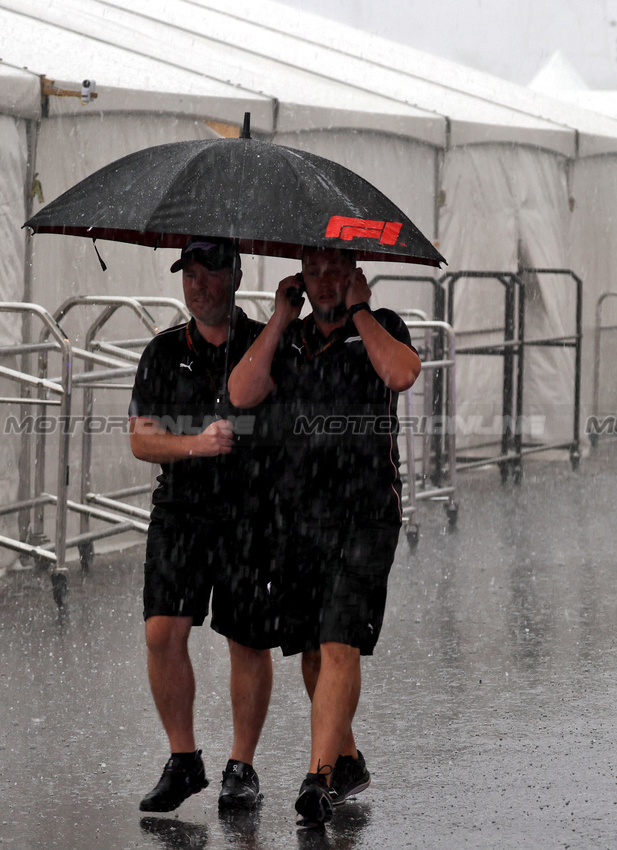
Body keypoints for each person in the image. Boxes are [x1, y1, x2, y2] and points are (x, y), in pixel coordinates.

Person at [228, 246, 421, 826]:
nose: (326, 280)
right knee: (313, 649)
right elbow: (241, 393)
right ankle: (349, 758)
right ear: (302, 278)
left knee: (339, 640)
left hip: (366, 514)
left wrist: (361, 313)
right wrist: (281, 317)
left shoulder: (382, 327)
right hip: (299, 515)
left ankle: (318, 777)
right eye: (315, 271)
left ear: (355, 271)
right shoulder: (288, 336)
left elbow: (402, 373)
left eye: (337, 268)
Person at [129, 237, 279, 812]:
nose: (196, 283)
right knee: (162, 632)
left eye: (208, 272)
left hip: (249, 512)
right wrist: (194, 444)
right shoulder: (163, 351)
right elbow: (142, 438)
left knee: (246, 638)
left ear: (236, 273)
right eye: (187, 272)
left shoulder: (267, 342)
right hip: (181, 511)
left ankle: (242, 766)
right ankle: (184, 759)